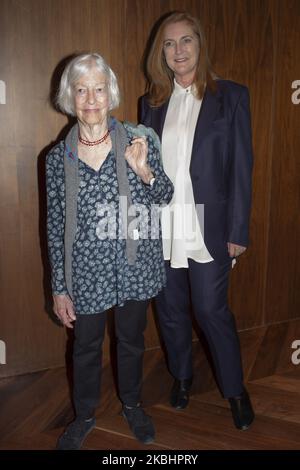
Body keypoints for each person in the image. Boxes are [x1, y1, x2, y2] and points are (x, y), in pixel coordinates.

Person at [46, 52, 173, 449]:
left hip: (133, 268)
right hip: (86, 273)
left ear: (110, 93)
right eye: (81, 90)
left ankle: (132, 405)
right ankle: (84, 416)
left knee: (132, 340)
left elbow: (166, 197)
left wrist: (144, 172)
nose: (90, 99)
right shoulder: (57, 159)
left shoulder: (140, 141)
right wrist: (59, 287)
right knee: (85, 347)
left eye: (98, 89)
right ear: (69, 97)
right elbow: (54, 226)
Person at [139, 11, 255, 430]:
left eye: (186, 41)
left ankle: (235, 389)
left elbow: (242, 168)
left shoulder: (232, 96)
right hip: (162, 227)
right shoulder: (150, 104)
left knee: (210, 310)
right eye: (169, 44)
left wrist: (238, 230)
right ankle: (182, 376)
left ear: (200, 44)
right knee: (169, 309)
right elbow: (144, 170)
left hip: (209, 226)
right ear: (161, 53)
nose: (178, 51)